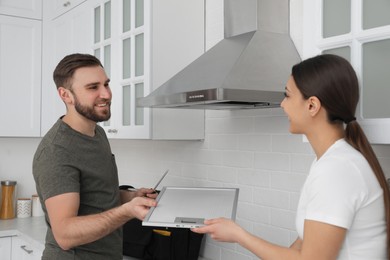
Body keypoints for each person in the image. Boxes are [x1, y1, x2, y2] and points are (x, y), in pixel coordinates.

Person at [192, 54, 390, 259]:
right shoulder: (330, 161)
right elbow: (300, 248)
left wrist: (239, 235)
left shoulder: (337, 169)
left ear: (312, 105)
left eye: (287, 95)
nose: (282, 104)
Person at [33, 53, 157, 260]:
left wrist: (132, 197)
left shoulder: (97, 133)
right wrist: (127, 211)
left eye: (106, 84)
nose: (106, 94)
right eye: (93, 87)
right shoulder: (56, 151)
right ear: (66, 95)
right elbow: (64, 234)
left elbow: (96, 195)